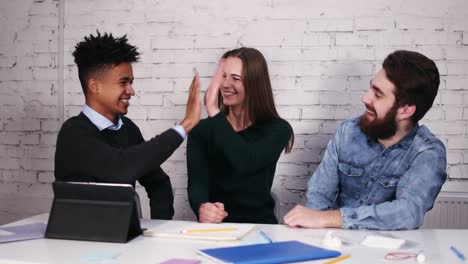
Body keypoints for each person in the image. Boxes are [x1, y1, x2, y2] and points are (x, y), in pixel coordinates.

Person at [284, 50, 447, 230]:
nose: (365, 98)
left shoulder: (428, 152)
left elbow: (407, 213)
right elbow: (319, 195)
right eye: (371, 88)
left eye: (378, 95)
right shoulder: (348, 132)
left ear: (405, 110)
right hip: (338, 245)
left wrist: (329, 219)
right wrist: (315, 231)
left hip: (390, 253)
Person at [54, 31, 200, 219]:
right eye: (123, 82)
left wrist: (157, 229)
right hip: (80, 242)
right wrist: (185, 125)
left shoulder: (128, 128)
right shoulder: (73, 133)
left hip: (123, 240)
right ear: (95, 86)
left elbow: (159, 183)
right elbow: (122, 168)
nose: (131, 91)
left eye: (130, 82)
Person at [187, 47, 294, 224]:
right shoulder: (202, 130)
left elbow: (246, 162)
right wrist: (202, 207)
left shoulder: (278, 129)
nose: (225, 84)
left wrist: (213, 109)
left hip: (261, 227)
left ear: (254, 84)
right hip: (216, 229)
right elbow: (197, 183)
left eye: (235, 78)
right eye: (223, 76)